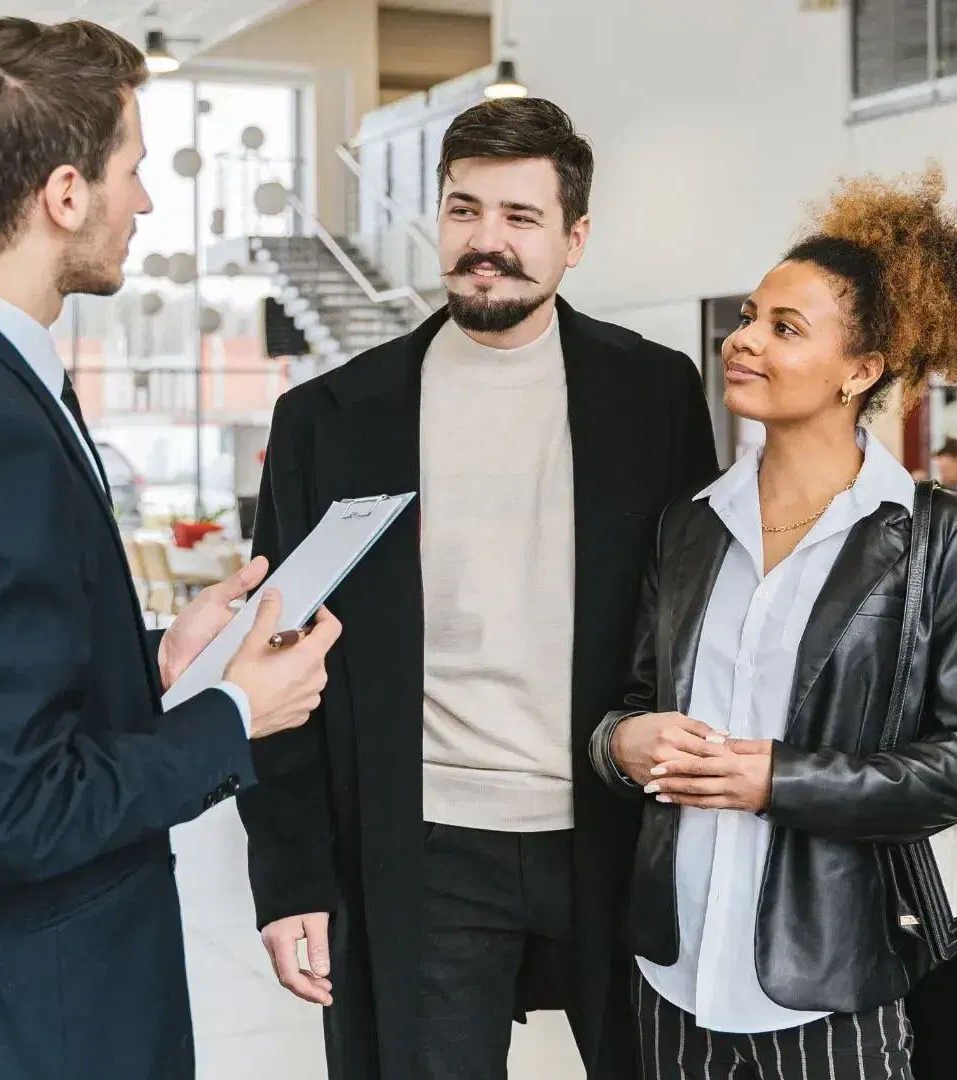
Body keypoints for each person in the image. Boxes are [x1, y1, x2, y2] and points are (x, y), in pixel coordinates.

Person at [0, 18, 340, 1080]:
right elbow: (17, 810)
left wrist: (149, 660)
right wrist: (235, 713)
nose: (142, 202)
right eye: (132, 170)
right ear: (64, 194)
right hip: (26, 1022)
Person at [237, 96, 720, 1080]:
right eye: (464, 212)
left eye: (519, 218)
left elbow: (693, 624)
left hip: (615, 830)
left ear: (575, 238)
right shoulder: (330, 419)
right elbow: (273, 668)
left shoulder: (655, 396)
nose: (484, 243)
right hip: (421, 849)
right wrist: (288, 878)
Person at [591, 163, 957, 1080]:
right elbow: (632, 699)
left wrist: (779, 779)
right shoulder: (689, 527)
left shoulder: (941, 541)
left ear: (859, 372)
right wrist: (622, 742)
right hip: (671, 966)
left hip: (830, 975)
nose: (743, 341)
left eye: (784, 329)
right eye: (749, 317)